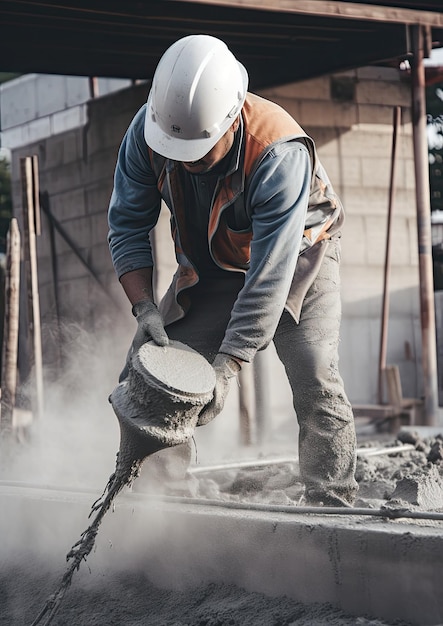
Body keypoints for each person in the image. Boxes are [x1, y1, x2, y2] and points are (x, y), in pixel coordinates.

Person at [107, 34, 358, 507]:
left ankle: (331, 497)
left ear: (231, 116)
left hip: (301, 254)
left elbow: (268, 275)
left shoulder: (278, 150)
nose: (187, 160)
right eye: (177, 150)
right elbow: (126, 225)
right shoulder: (150, 132)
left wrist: (227, 366)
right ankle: (163, 506)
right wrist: (144, 308)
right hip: (211, 264)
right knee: (151, 371)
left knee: (312, 368)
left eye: (200, 151)